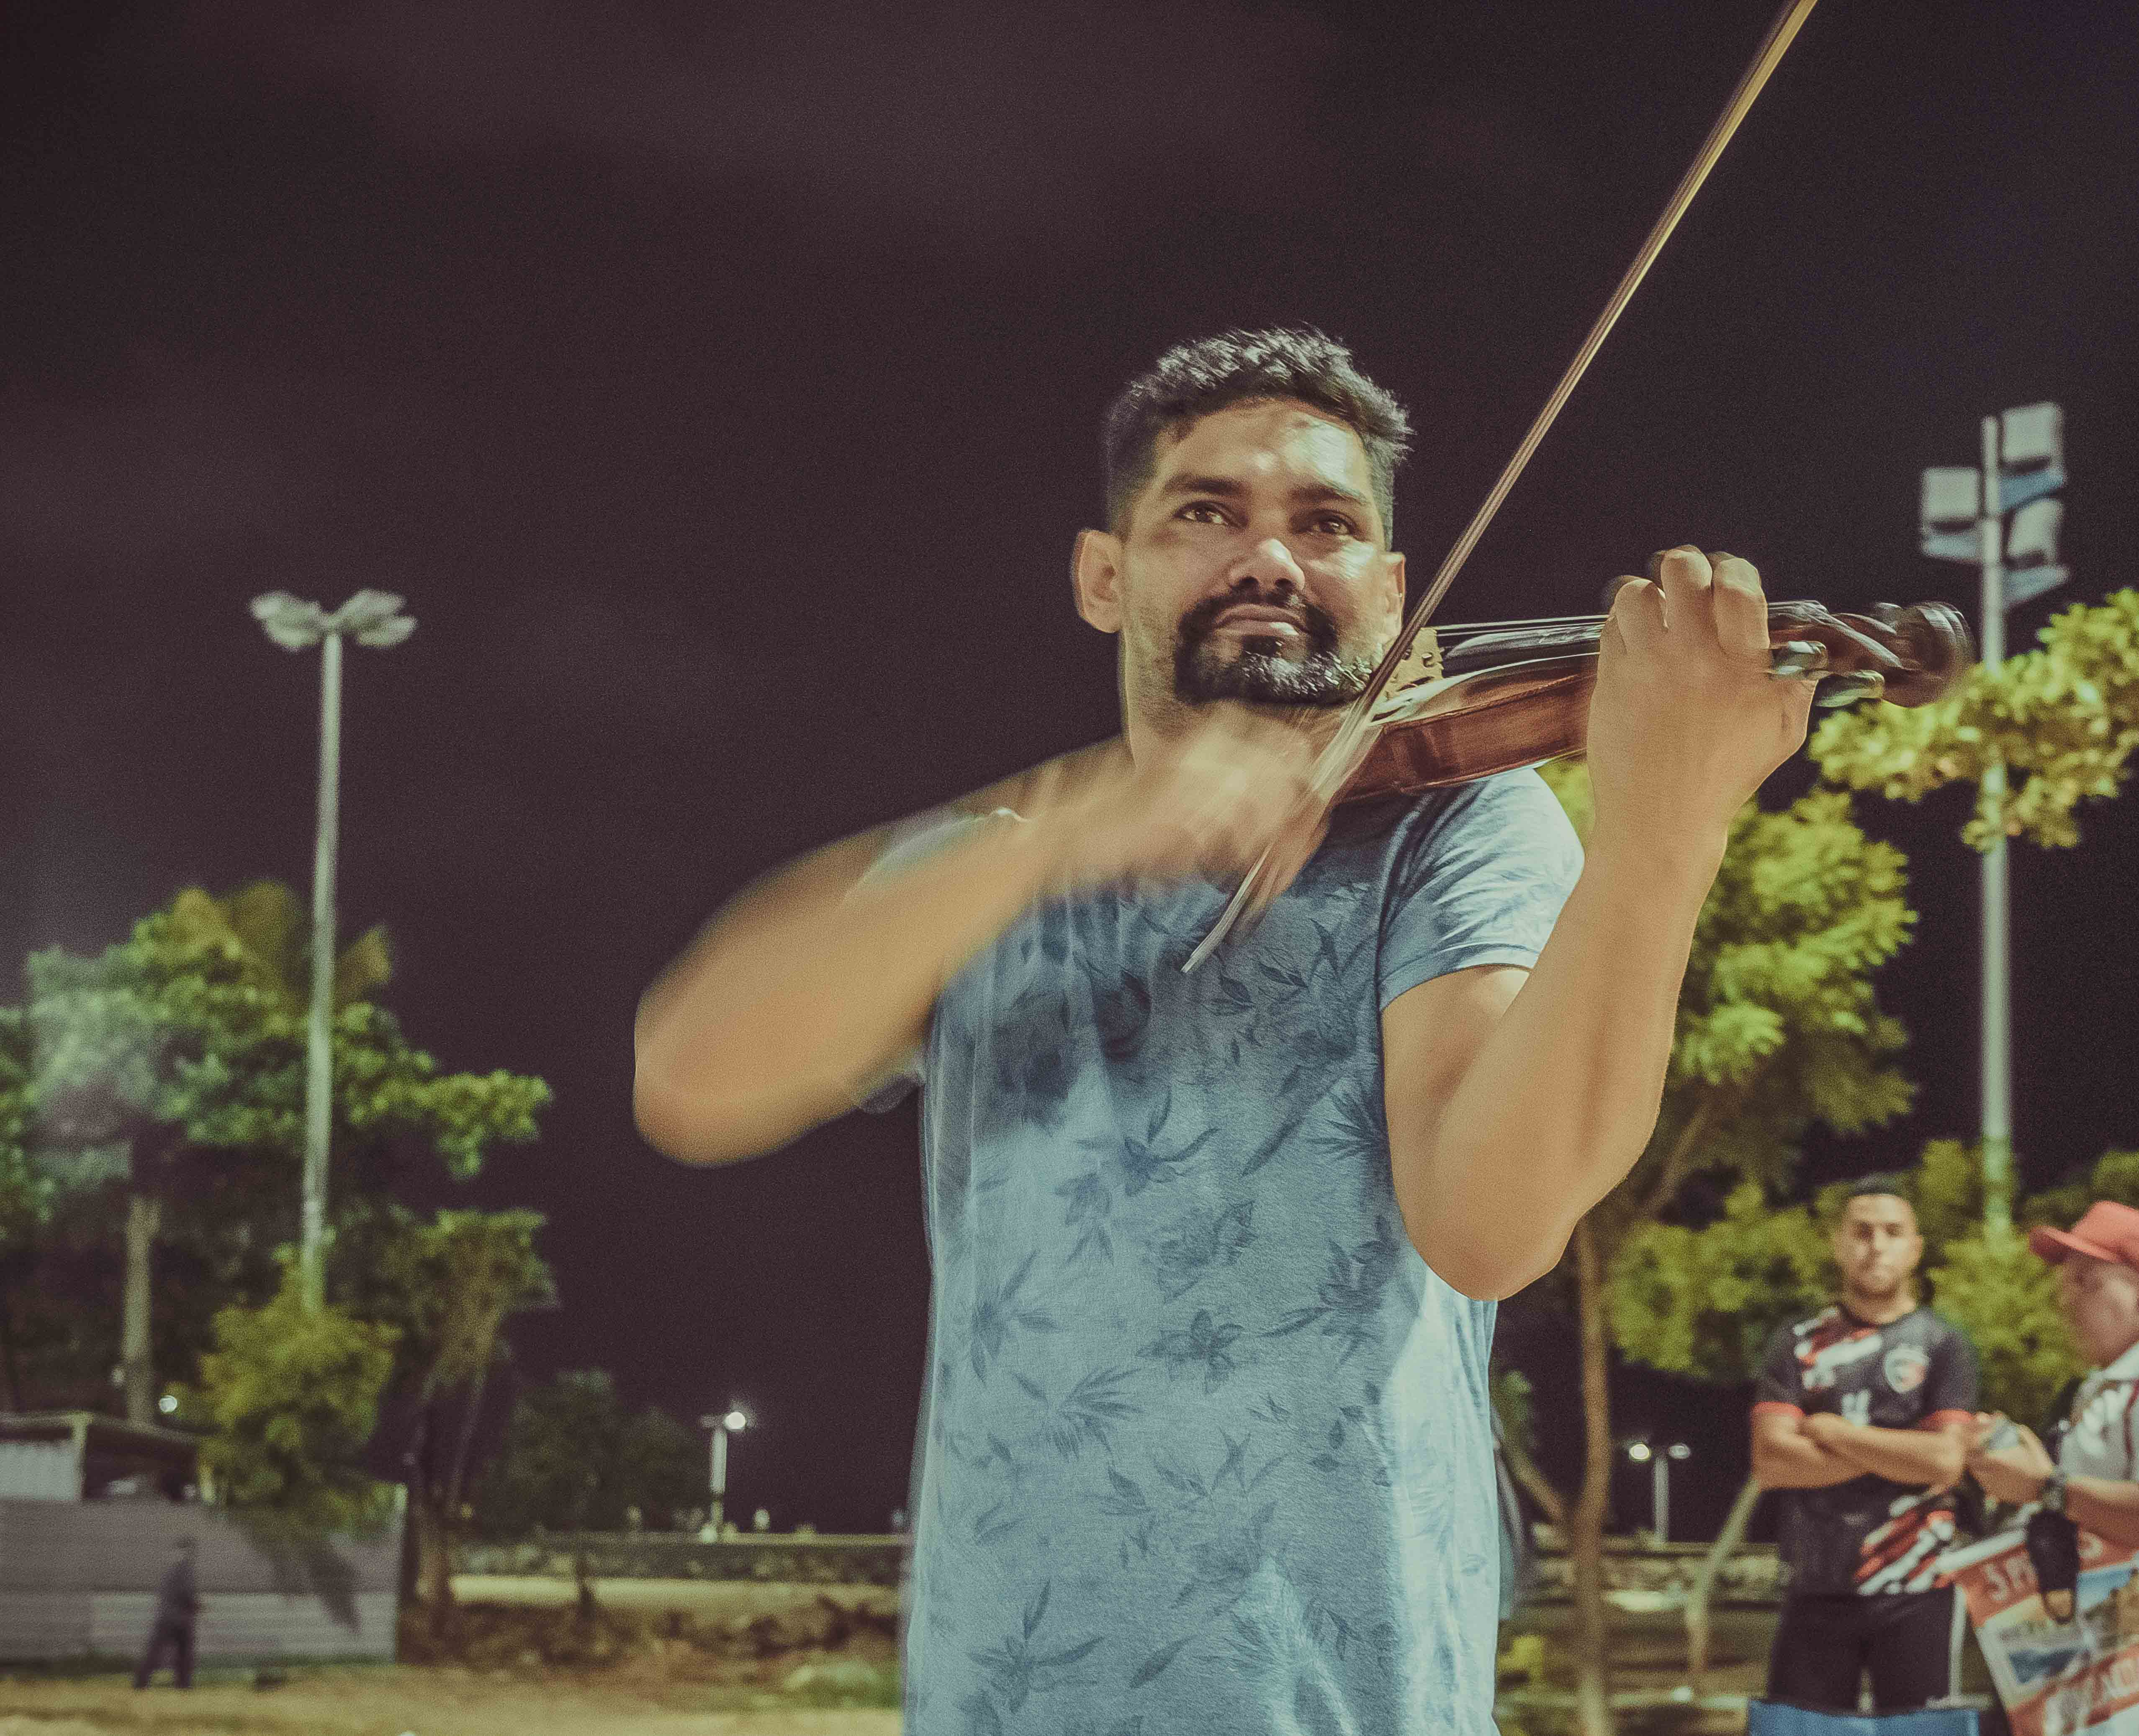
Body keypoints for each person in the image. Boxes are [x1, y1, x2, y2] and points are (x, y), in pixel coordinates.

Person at [633, 329, 1815, 1732]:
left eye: (1326, 524)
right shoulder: (1002, 859)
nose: (1270, 558)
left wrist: (1666, 821)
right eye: (1206, 512)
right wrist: (1071, 829)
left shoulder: (1457, 826)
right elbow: (691, 1072)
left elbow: (1491, 1223)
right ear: (1104, 574)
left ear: (1391, 591)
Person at [1750, 1178, 1982, 1713]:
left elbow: (1945, 1461)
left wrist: (1835, 1433)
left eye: (1893, 1232)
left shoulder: (1944, 1343)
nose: (1876, 1245)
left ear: (1915, 1248)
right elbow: (1773, 1462)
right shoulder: (1797, 1342)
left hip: (1918, 1586)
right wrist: (1901, 1453)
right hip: (1815, 1584)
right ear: (1837, 1243)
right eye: (1862, 1231)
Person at [1964, 1201, 2139, 1549]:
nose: (2065, 1301)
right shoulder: (2107, 1383)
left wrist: (2047, 1488)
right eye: (2065, 1284)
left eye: (2086, 1283)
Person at [132, 1536, 197, 1690]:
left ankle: (141, 1682)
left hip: (164, 1617)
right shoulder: (185, 1569)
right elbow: (186, 1593)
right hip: (180, 1620)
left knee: (155, 1651)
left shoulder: (169, 1570)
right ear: (189, 1551)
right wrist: (196, 1605)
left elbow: (166, 1593)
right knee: (184, 1653)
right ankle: (183, 1685)